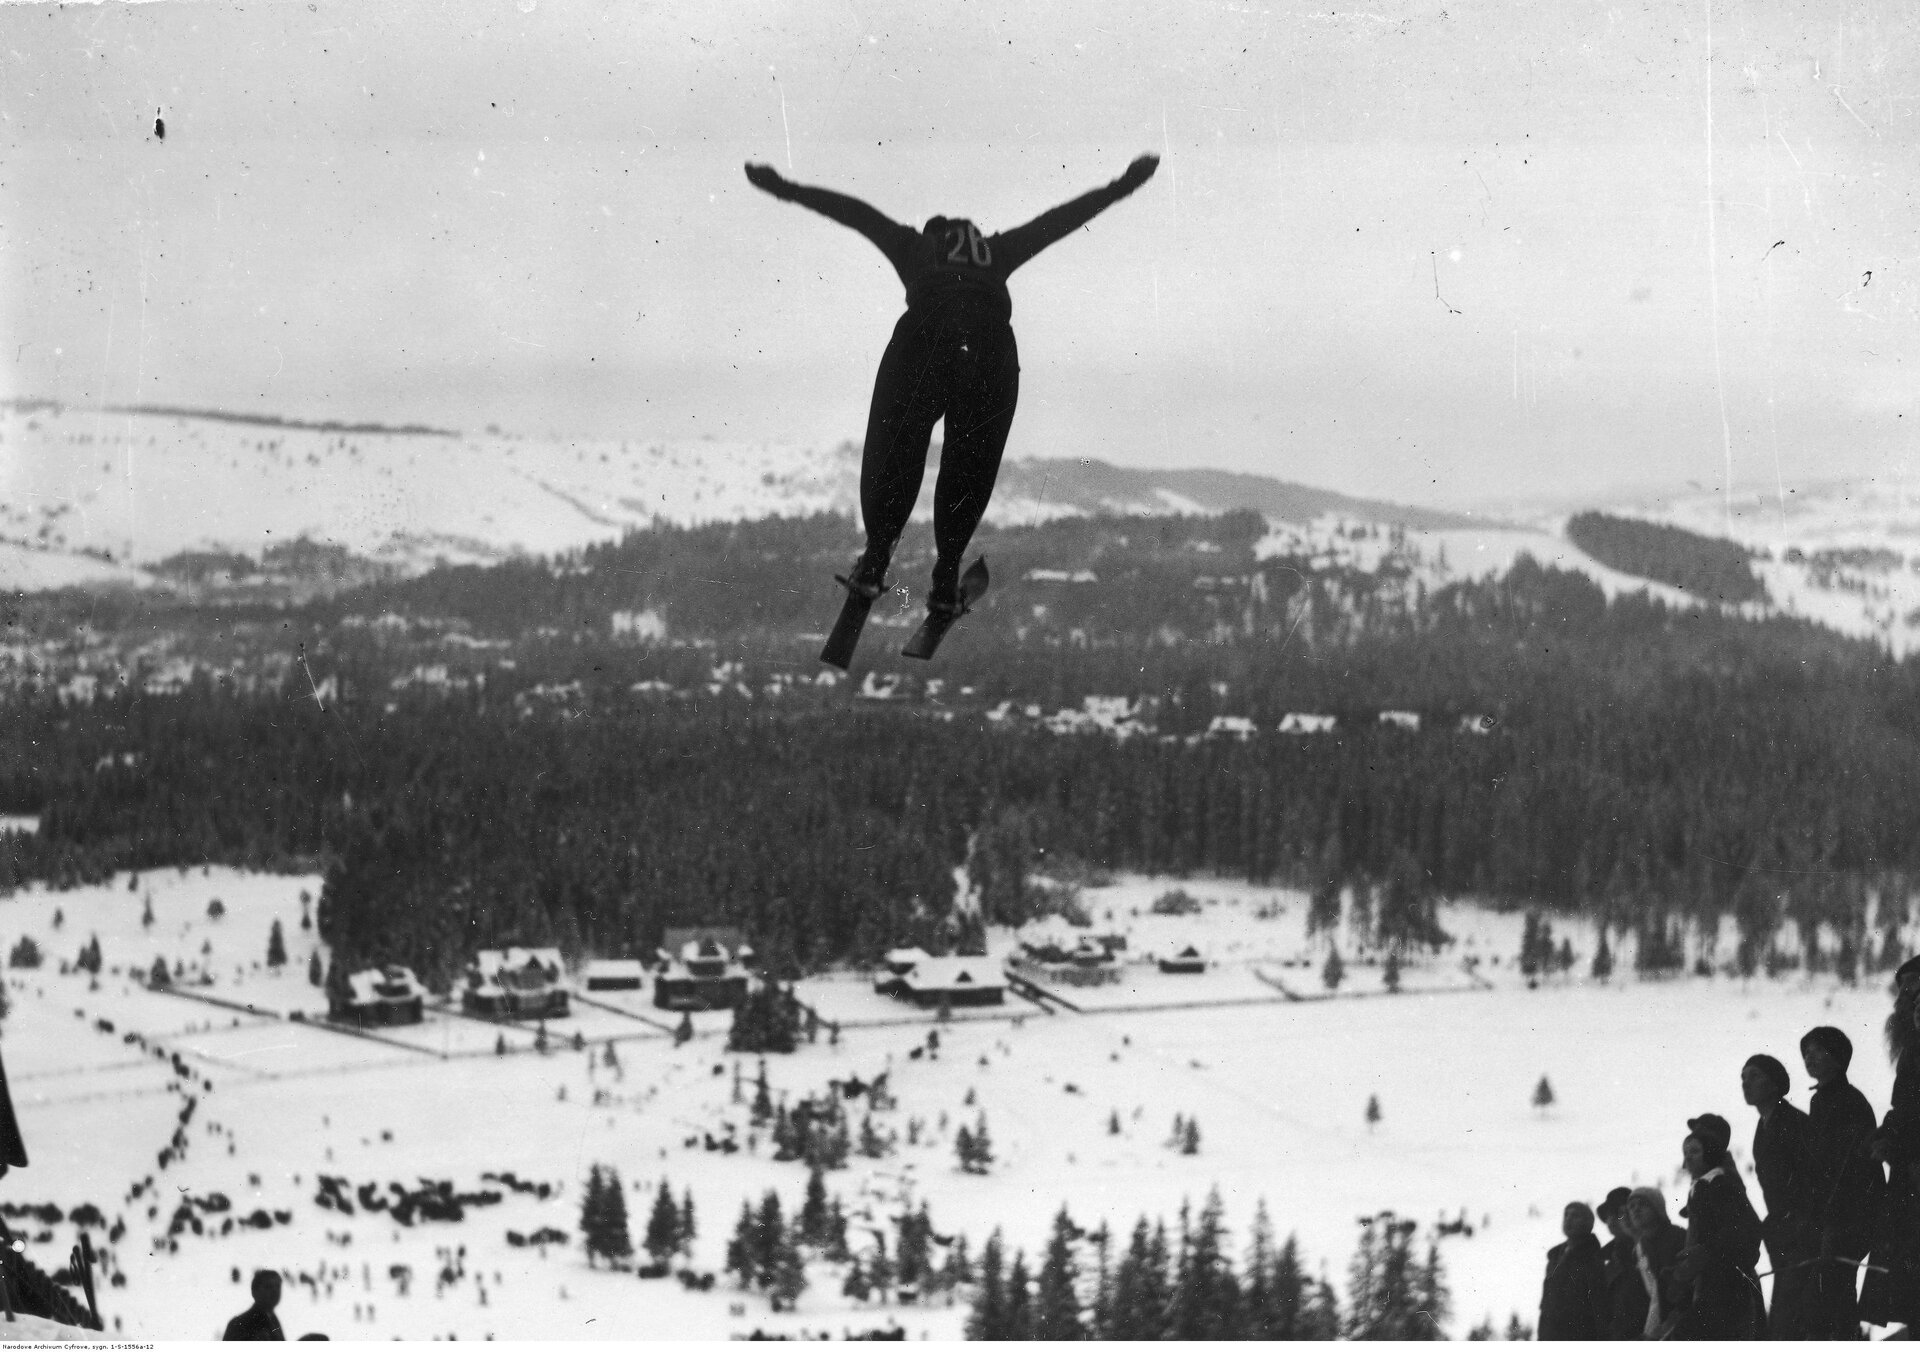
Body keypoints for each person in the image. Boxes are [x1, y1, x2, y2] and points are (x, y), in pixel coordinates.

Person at [743, 153, 1160, 665]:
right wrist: (1124, 185)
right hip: (990, 353)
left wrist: (784, 187)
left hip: (925, 340)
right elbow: (1059, 221)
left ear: (933, 235)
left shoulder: (915, 247)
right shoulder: (997, 251)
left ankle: (876, 559)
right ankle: (945, 577)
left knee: (895, 447)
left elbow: (852, 212)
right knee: (970, 465)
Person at [1803, 1025, 1883, 1339]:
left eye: (1817, 1050)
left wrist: (1832, 1222)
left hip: (1846, 1217)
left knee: (1834, 1297)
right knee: (1832, 1295)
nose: (1809, 1057)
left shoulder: (1848, 1101)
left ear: (1837, 1058)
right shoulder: (1822, 1100)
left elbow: (1849, 1169)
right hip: (1832, 1216)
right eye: (1806, 1051)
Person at [1863, 957, 1920, 1336]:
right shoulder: (1912, 1051)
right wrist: (1888, 1134)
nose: (1909, 996)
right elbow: (1907, 1106)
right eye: (1905, 989)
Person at [1670, 1113, 1766, 1338]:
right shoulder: (1702, 1183)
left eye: (1700, 1138)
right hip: (1710, 1281)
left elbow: (1744, 1231)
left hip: (1727, 1284)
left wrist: (1702, 1254)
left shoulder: (1720, 1181)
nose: (1689, 1156)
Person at [1744, 1051, 1816, 1337]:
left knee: (1794, 1319)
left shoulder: (1793, 1122)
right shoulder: (1762, 1128)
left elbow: (1812, 1179)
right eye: (1743, 1078)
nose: (1746, 1083)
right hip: (1782, 1236)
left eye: (1755, 1076)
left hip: (1802, 1233)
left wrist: (1800, 1223)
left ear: (1775, 1084)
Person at [1537, 1200, 1607, 1339]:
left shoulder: (1594, 1257)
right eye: (1566, 1215)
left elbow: (1598, 1307)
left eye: (1575, 1216)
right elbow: (1547, 1306)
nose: (1568, 1219)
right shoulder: (1555, 1257)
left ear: (1588, 1223)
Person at [1625, 1187, 1688, 1338]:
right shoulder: (1638, 1251)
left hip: (1683, 1321)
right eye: (1631, 1207)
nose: (1636, 1209)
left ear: (1657, 1207)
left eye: (1642, 1204)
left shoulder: (1679, 1236)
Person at [1596, 1187, 1650, 1340]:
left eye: (1617, 1214)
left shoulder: (1650, 1246)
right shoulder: (1606, 1259)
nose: (1610, 1220)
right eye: (1608, 1216)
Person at [223, 1269, 285, 1340]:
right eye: (268, 1286)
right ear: (254, 1291)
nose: (275, 1291)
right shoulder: (239, 1324)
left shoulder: (273, 1319)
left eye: (278, 1286)